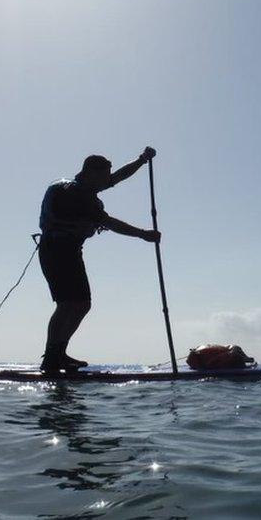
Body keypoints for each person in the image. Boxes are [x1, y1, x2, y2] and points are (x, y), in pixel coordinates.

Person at [37, 147, 160, 373]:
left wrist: (141, 161)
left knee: (80, 304)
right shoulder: (78, 195)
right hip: (58, 250)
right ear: (91, 173)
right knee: (68, 305)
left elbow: (117, 178)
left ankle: (58, 354)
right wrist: (143, 234)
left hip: (66, 250)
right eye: (103, 177)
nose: (107, 182)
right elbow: (109, 222)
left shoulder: (76, 187)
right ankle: (52, 359)